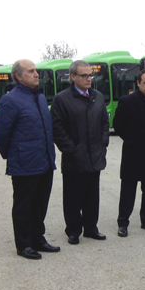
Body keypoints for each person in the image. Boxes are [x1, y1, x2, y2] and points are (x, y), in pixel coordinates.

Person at [0, 59, 60, 259]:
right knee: (24, 205)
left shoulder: (39, 98)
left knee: (41, 203)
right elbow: (0, 136)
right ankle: (23, 245)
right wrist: (15, 155)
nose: (36, 74)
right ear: (18, 76)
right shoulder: (10, 100)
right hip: (24, 164)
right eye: (31, 71)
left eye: (36, 71)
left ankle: (38, 239)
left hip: (45, 161)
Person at [51, 60, 109, 245]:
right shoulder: (62, 99)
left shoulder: (98, 97)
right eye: (84, 75)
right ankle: (74, 230)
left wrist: (103, 144)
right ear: (73, 77)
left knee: (92, 196)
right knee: (73, 197)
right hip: (74, 158)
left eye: (90, 75)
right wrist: (71, 149)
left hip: (95, 156)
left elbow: (104, 123)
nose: (88, 79)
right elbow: (57, 128)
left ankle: (91, 228)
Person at [113, 69, 145, 237]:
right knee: (128, 189)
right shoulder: (126, 101)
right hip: (133, 152)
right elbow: (118, 125)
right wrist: (131, 138)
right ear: (138, 83)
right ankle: (123, 222)